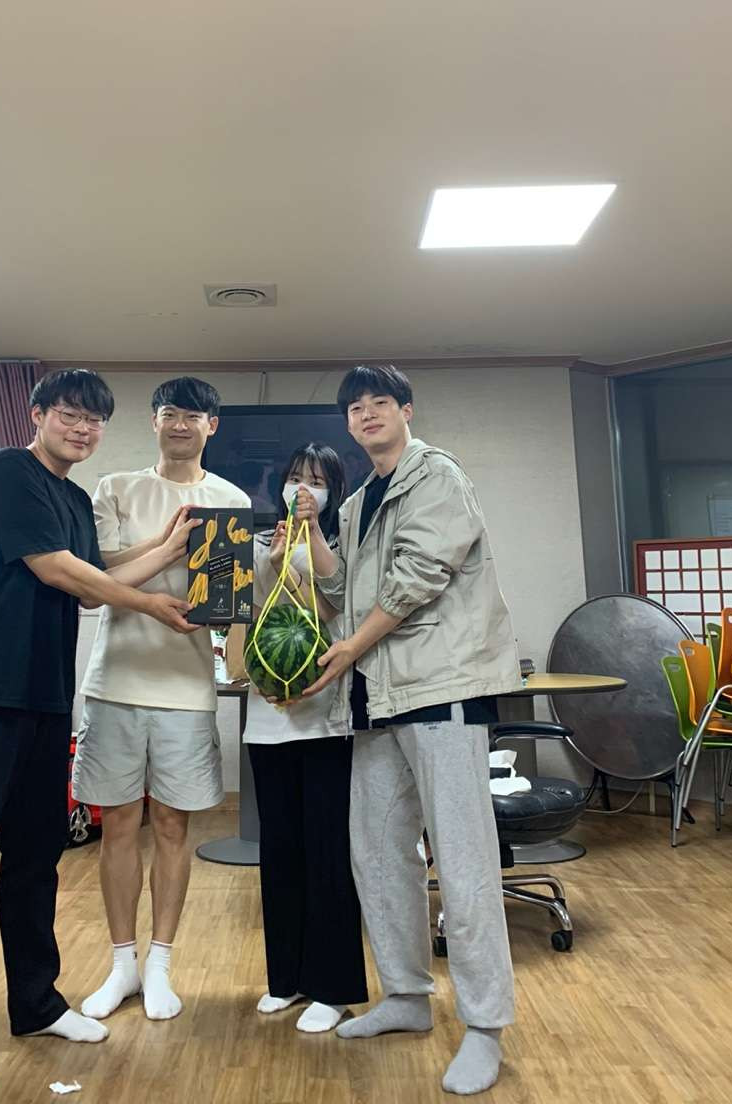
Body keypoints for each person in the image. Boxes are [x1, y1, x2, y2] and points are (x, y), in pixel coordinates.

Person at [0, 369, 199, 1095]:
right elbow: (57, 571)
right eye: (70, 415)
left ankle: (37, 1005)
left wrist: (168, 550)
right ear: (37, 415)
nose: (82, 430)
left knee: (36, 857)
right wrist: (152, 605)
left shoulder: (74, 498)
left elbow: (94, 575)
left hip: (44, 698)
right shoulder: (6, 472)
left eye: (94, 421)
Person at [300, 365, 521, 1097]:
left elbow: (420, 575)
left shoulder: (436, 475)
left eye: (379, 403)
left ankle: (484, 1026)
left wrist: (349, 650)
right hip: (376, 701)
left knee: (462, 860)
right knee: (376, 853)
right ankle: (405, 995)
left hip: (441, 689)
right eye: (355, 408)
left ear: (406, 410)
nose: (366, 415)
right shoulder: (358, 499)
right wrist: (311, 531)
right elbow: (341, 591)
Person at [73, 376, 250, 1023]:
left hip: (186, 687)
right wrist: (168, 547)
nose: (181, 423)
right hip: (115, 682)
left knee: (174, 826)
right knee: (119, 824)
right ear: (153, 422)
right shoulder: (116, 488)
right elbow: (96, 581)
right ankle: (121, 963)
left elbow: (225, 602)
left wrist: (231, 623)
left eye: (193, 415)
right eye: (170, 413)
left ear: (211, 426)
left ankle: (160, 966)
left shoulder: (229, 500)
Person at [244, 443, 368, 1034]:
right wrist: (272, 563)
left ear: (333, 491)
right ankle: (286, 978)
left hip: (326, 717)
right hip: (268, 717)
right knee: (280, 850)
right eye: (295, 477)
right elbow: (248, 617)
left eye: (316, 481)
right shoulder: (260, 544)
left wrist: (309, 537)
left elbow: (334, 606)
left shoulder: (345, 544)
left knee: (327, 851)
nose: (303, 489)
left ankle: (333, 987)